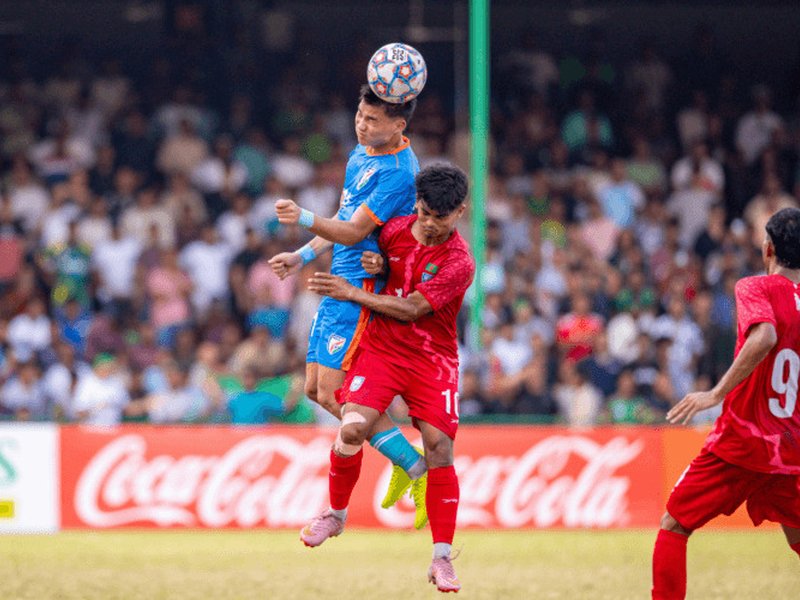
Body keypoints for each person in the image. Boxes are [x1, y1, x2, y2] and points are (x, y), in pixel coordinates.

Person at [298, 165, 474, 593]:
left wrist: (355, 291)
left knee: (440, 447)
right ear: (417, 203)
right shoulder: (394, 230)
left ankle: (442, 558)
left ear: (460, 213)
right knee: (352, 425)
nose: (431, 224)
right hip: (382, 349)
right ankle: (335, 516)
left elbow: (414, 308)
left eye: (442, 218)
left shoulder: (459, 262)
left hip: (432, 358)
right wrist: (374, 265)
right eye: (426, 212)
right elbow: (354, 237)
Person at [268, 85, 428, 522]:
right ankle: (408, 459)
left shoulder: (398, 172)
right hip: (334, 282)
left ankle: (416, 465)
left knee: (343, 396)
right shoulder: (361, 154)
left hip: (359, 290)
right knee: (316, 390)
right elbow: (341, 220)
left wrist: (302, 216)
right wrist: (301, 254)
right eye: (360, 114)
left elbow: (356, 232)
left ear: (399, 125)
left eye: (373, 120)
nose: (362, 123)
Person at [651, 207, 800, 599]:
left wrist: (715, 393)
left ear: (768, 249)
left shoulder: (757, 287)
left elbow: (765, 337)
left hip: (743, 441)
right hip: (791, 445)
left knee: (674, 524)